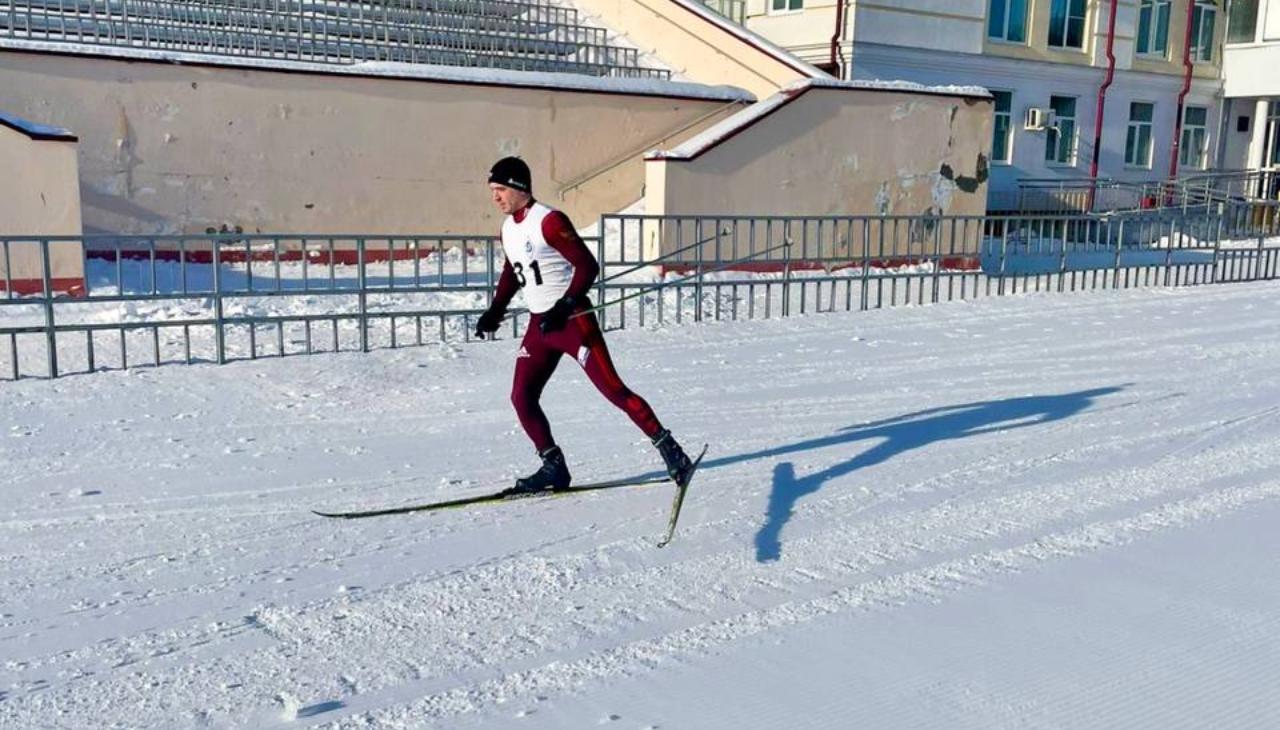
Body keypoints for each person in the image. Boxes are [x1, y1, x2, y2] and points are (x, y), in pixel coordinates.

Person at [476, 156, 695, 495]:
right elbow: (511, 270)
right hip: (541, 326)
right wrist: (495, 309)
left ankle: (671, 450)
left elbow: (587, 266)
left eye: (501, 189)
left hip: (571, 321)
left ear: (520, 188)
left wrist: (565, 305)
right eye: (492, 190)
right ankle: (553, 466)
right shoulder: (508, 228)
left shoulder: (548, 221)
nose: (496, 197)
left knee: (613, 390)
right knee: (522, 396)